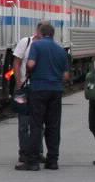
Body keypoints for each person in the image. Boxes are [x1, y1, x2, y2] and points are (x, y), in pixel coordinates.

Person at [16, 21, 70, 171]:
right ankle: (52, 161)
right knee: (53, 126)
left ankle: (32, 162)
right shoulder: (61, 50)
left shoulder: (36, 45)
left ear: (40, 33)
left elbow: (31, 64)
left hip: (38, 89)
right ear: (53, 34)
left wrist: (30, 72)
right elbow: (66, 75)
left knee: (36, 125)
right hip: (56, 90)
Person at [12, 25, 44, 165]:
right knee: (23, 122)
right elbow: (16, 62)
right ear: (37, 32)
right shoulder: (25, 42)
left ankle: (38, 152)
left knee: (38, 123)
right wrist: (18, 82)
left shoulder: (46, 45)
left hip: (39, 89)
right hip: (24, 88)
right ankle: (24, 152)